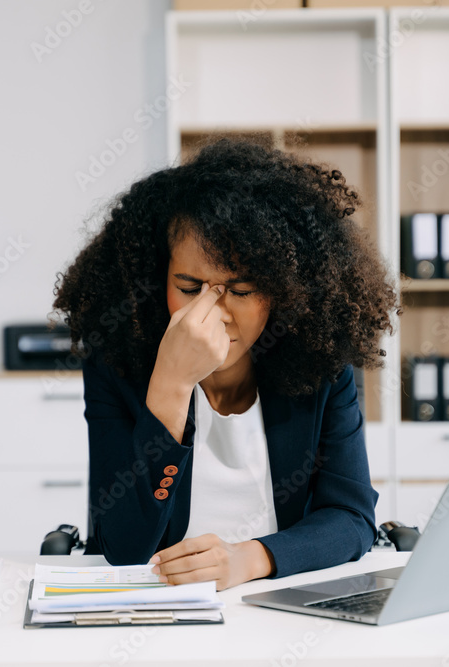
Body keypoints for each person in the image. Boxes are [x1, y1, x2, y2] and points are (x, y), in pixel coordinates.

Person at [52, 137, 397, 590]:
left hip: (277, 601)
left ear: (282, 290)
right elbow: (123, 548)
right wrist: (171, 386)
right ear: (157, 283)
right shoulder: (117, 368)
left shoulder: (321, 365)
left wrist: (251, 558)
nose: (213, 312)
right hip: (159, 610)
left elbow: (351, 517)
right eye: (190, 286)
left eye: (240, 290)